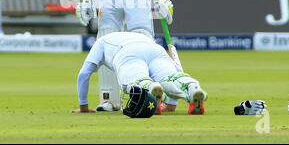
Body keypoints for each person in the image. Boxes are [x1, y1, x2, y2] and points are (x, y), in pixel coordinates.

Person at [72, 32, 208, 115]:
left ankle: (150, 89)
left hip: (127, 52)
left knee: (135, 81)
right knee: (171, 78)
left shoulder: (100, 42)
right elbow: (175, 72)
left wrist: (83, 106)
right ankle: (192, 88)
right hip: (155, 49)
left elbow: (84, 74)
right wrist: (171, 106)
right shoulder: (140, 36)